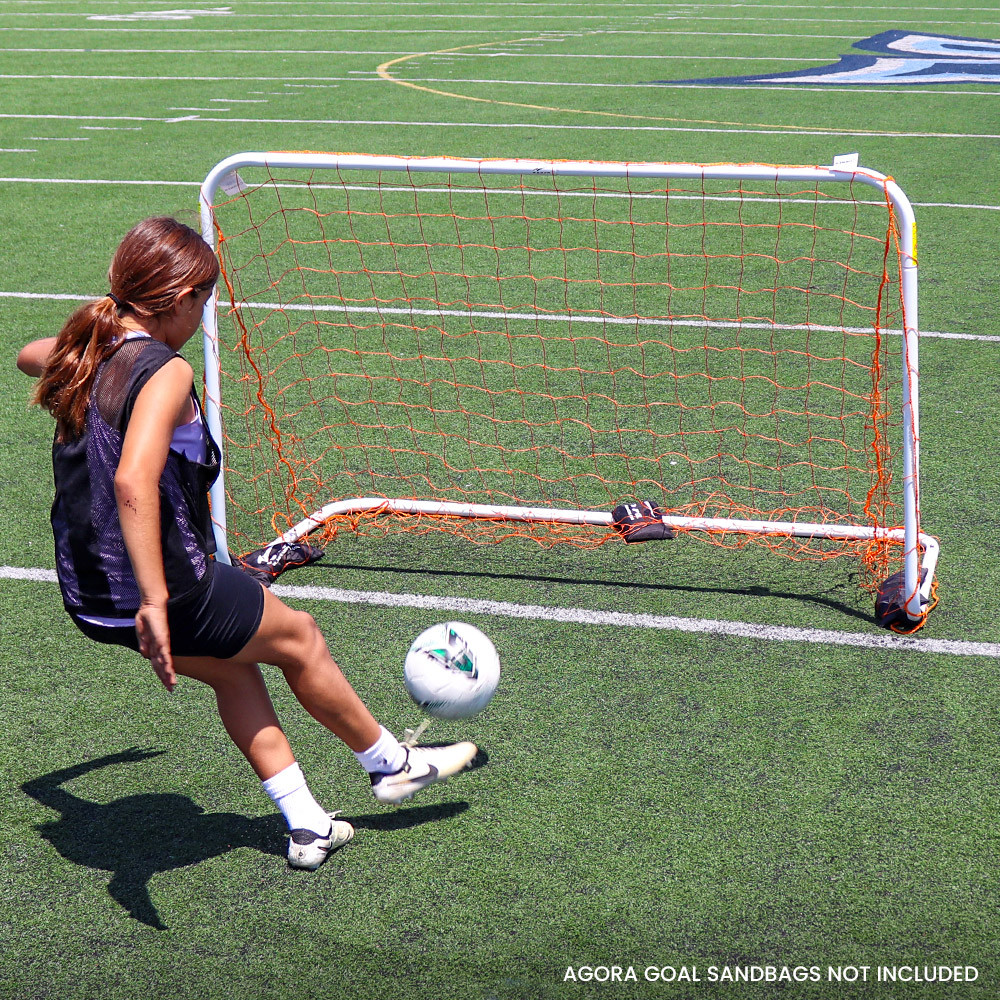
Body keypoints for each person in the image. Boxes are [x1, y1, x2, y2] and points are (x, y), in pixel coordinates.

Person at [17, 216, 478, 871]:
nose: (205, 313)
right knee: (300, 637)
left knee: (236, 671)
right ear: (176, 298)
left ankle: (308, 826)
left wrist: (92, 341)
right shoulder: (165, 373)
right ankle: (390, 765)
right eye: (203, 298)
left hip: (90, 598)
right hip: (161, 591)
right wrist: (155, 599)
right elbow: (132, 481)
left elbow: (29, 355)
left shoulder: (81, 355)